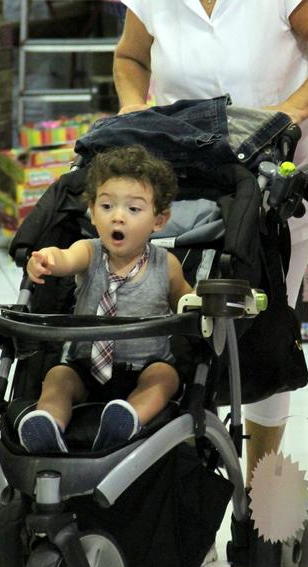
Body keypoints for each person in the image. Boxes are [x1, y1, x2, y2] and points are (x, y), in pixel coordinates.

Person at [113, 0, 308, 489]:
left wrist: (292, 109)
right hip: (186, 194)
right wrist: (132, 106)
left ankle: (260, 492)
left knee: (263, 334)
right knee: (186, 336)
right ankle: (195, 503)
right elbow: (130, 59)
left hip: (274, 188)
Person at [18, 144, 192, 453]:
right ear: (92, 211)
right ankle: (47, 423)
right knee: (57, 377)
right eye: (107, 206)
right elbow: (65, 258)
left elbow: (185, 301)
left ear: (159, 220)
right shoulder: (90, 251)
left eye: (134, 209)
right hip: (84, 366)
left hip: (145, 366)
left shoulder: (166, 265)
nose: (118, 218)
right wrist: (46, 258)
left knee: (165, 377)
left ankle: (127, 419)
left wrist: (201, 303)